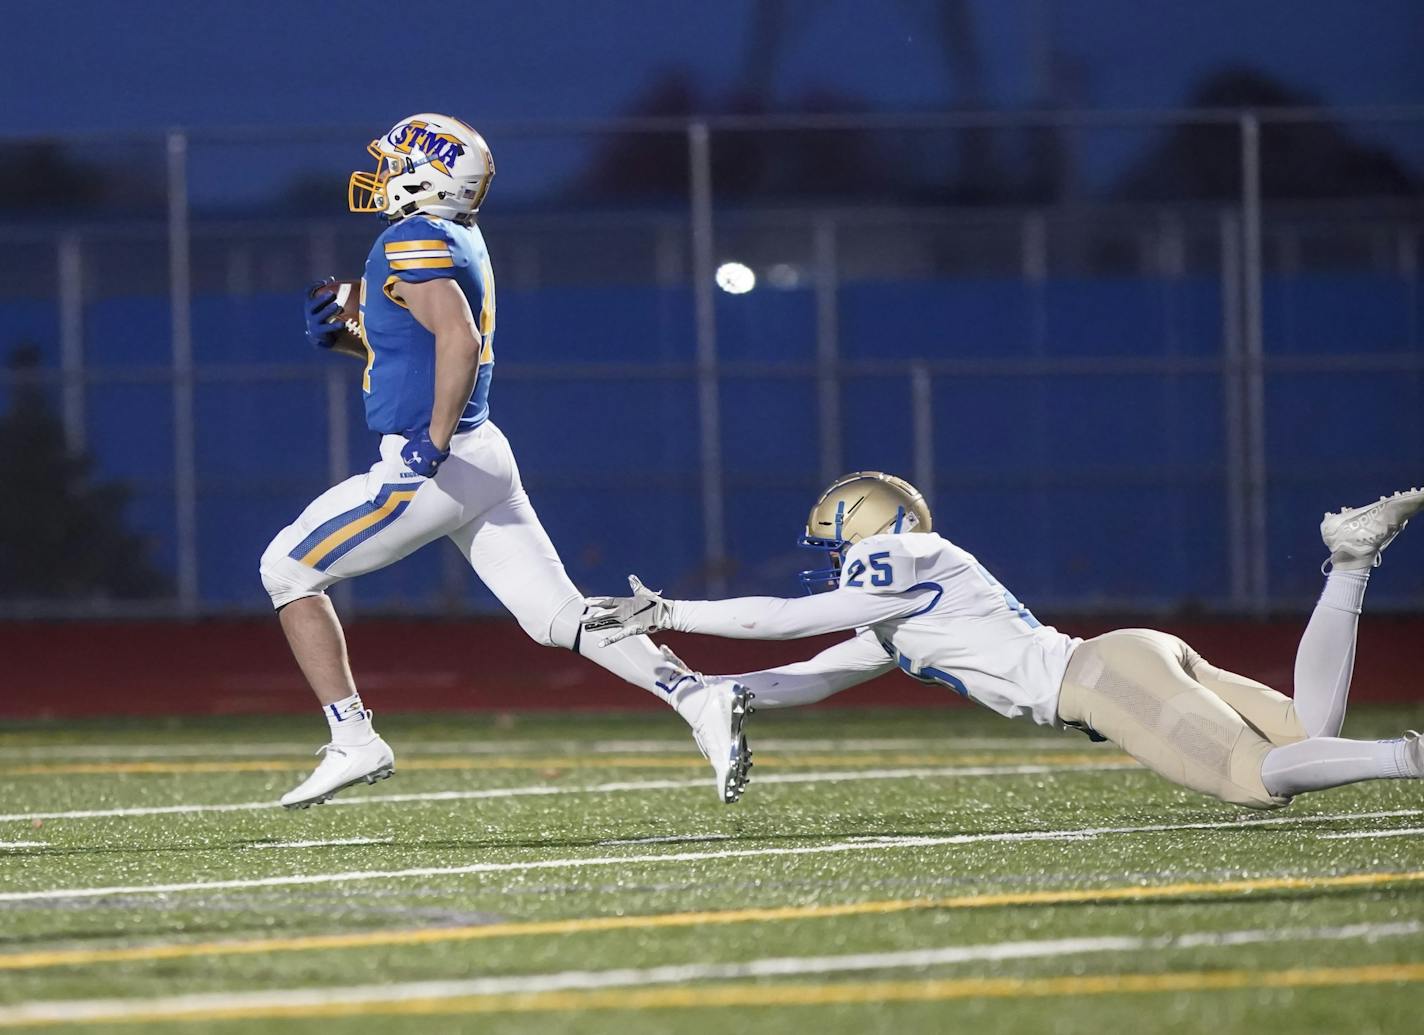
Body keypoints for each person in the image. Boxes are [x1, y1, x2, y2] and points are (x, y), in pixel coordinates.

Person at [260, 114, 751, 809]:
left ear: (427, 175)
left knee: (286, 567)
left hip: (438, 459)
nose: (384, 173)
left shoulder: (410, 238)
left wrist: (428, 442)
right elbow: (423, 345)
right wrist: (356, 340)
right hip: (483, 456)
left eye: (398, 161)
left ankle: (354, 737)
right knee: (557, 616)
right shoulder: (455, 235)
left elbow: (457, 340)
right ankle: (699, 697)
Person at [586, 471, 1423, 809]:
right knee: (1307, 733)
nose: (838, 559)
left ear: (866, 526)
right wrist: (716, 692)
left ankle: (1411, 757)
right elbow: (813, 670)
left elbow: (792, 617)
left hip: (1097, 677)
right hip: (1120, 655)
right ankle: (1350, 559)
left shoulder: (900, 552)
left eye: (838, 541)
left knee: (1253, 781)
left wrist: (670, 614)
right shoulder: (905, 613)